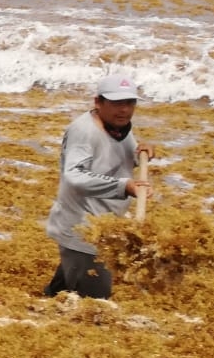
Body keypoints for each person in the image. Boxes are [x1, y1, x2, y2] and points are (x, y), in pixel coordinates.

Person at [43, 73, 153, 299]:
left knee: (63, 289)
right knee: (96, 303)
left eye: (129, 103)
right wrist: (125, 187)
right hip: (83, 229)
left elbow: (114, 158)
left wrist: (140, 154)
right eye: (116, 103)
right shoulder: (84, 131)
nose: (124, 110)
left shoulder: (118, 126)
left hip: (101, 225)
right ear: (98, 102)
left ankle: (42, 307)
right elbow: (74, 175)